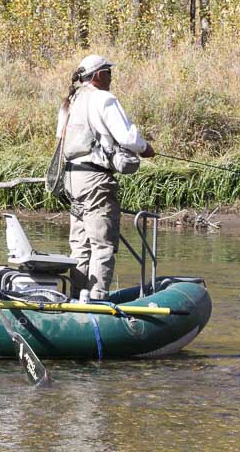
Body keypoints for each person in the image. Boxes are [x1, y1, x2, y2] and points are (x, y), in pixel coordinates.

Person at [57, 55, 155, 300]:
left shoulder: (72, 100)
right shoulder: (103, 98)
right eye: (109, 72)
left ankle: (77, 297)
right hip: (95, 180)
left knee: (80, 246)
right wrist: (145, 149)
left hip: (72, 179)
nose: (111, 77)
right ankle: (97, 300)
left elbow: (61, 136)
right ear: (99, 75)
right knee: (103, 244)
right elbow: (128, 138)